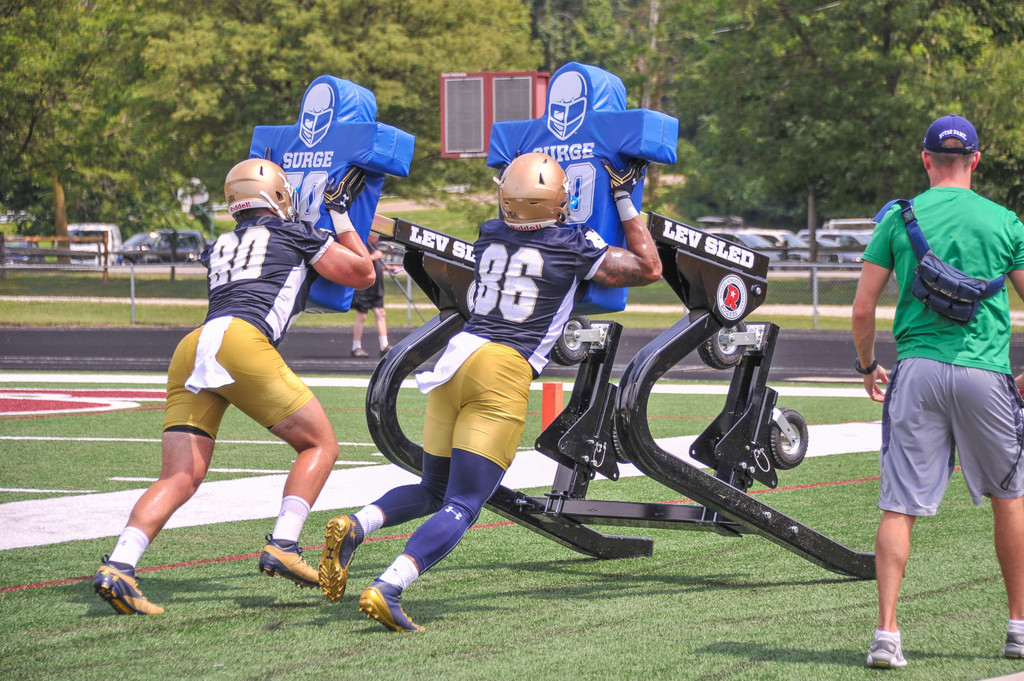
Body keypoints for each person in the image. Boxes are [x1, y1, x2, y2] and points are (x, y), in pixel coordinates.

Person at [317, 151, 663, 631]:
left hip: (456, 358)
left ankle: (358, 524)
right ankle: (389, 586)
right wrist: (623, 197)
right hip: (502, 369)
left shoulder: (489, 232)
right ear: (558, 203)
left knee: (432, 486)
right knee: (463, 502)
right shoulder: (573, 243)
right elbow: (648, 268)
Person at [92, 158, 376, 615]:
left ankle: (120, 565)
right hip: (242, 341)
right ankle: (284, 543)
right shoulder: (294, 232)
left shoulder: (219, 242)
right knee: (319, 444)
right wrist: (339, 214)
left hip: (194, 343)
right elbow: (363, 274)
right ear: (277, 196)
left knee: (179, 476)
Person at [852, 114, 1024, 667]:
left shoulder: (897, 218)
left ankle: (886, 635)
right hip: (986, 375)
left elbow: (862, 309)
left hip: (918, 371)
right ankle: (1019, 628)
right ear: (976, 160)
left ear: (926, 160)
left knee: (899, 503)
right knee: (1010, 496)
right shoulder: (1006, 223)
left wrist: (867, 366)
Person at [350, 234, 392, 357]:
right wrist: (374, 256)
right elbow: (357, 258)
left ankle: (384, 345)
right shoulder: (360, 234)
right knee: (362, 314)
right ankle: (356, 346)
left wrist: (387, 266)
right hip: (365, 280)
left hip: (377, 281)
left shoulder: (374, 238)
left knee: (380, 312)